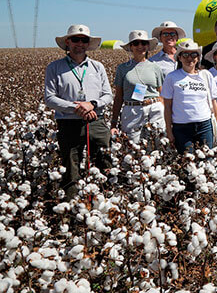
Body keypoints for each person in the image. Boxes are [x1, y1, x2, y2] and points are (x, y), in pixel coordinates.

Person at [44, 24, 113, 199]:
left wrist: (92, 104)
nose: (80, 43)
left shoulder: (98, 67)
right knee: (70, 165)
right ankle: (72, 208)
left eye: (84, 40)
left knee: (104, 161)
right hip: (68, 123)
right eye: (75, 39)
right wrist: (77, 108)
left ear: (88, 44)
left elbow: (108, 95)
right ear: (68, 42)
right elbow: (49, 98)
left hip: (96, 120)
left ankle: (105, 203)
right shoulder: (54, 67)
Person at [162, 40, 217, 153]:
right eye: (185, 54)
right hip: (181, 128)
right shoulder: (172, 77)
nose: (190, 58)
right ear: (179, 57)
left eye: (194, 54)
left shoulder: (206, 75)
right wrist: (169, 132)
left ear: (198, 58)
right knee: (188, 162)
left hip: (205, 125)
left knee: (207, 161)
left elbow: (213, 101)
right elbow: (167, 106)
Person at [110, 30, 165, 143]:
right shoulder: (122, 68)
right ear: (131, 47)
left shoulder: (155, 68)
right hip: (132, 110)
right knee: (132, 144)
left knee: (157, 144)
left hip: (154, 108)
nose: (140, 46)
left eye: (143, 43)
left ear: (148, 46)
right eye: (136, 43)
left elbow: (162, 94)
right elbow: (119, 97)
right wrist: (114, 123)